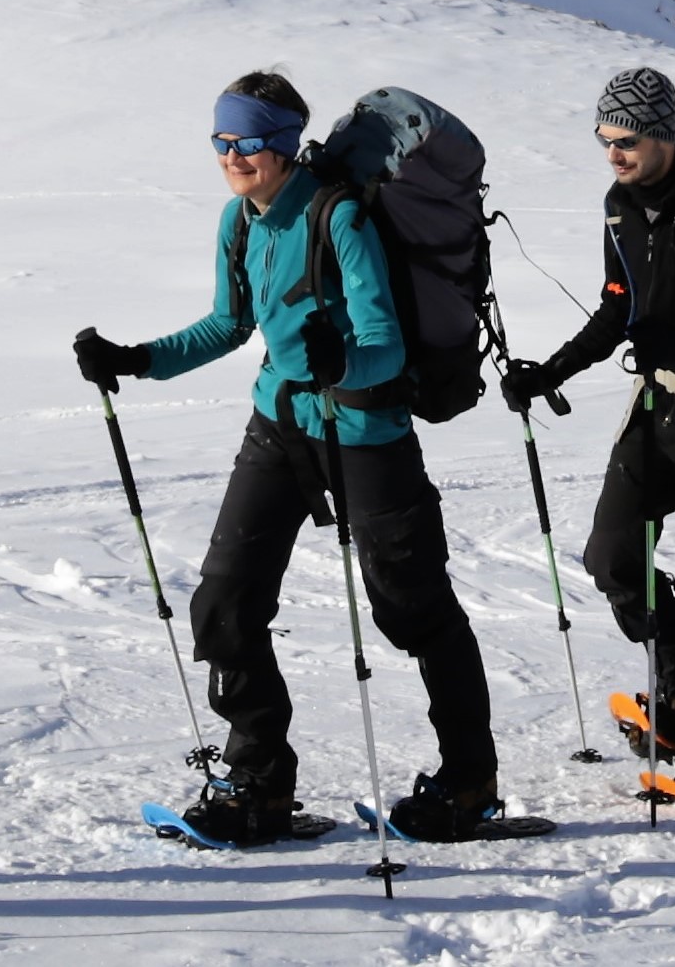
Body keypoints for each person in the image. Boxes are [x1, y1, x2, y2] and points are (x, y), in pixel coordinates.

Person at [70, 70, 507, 843]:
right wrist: (136, 359)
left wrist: (337, 362)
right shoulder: (240, 221)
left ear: (281, 143)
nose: (233, 157)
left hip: (365, 431)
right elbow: (227, 324)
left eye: (247, 143)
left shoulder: (339, 217)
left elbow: (382, 344)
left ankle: (468, 783)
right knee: (224, 602)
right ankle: (257, 783)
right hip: (278, 424)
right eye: (222, 142)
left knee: (413, 611)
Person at [498, 64, 675, 802]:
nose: (613, 155)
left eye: (625, 140)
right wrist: (551, 372)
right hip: (658, 406)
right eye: (603, 141)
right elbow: (617, 307)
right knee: (612, 556)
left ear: (663, 133)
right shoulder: (619, 204)